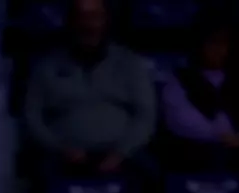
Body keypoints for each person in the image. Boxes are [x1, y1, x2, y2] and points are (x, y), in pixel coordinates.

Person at [22, 0, 157, 177]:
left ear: (106, 21)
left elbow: (146, 114)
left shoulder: (129, 63)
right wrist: (59, 147)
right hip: (63, 152)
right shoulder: (47, 66)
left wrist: (121, 153)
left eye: (95, 16)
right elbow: (32, 116)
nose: (88, 24)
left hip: (122, 151)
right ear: (70, 22)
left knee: (154, 177)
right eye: (81, 16)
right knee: (38, 177)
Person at [158, 14, 239, 163]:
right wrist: (222, 135)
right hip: (198, 153)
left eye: (222, 43)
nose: (218, 49)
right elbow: (181, 120)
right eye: (212, 43)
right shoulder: (178, 81)